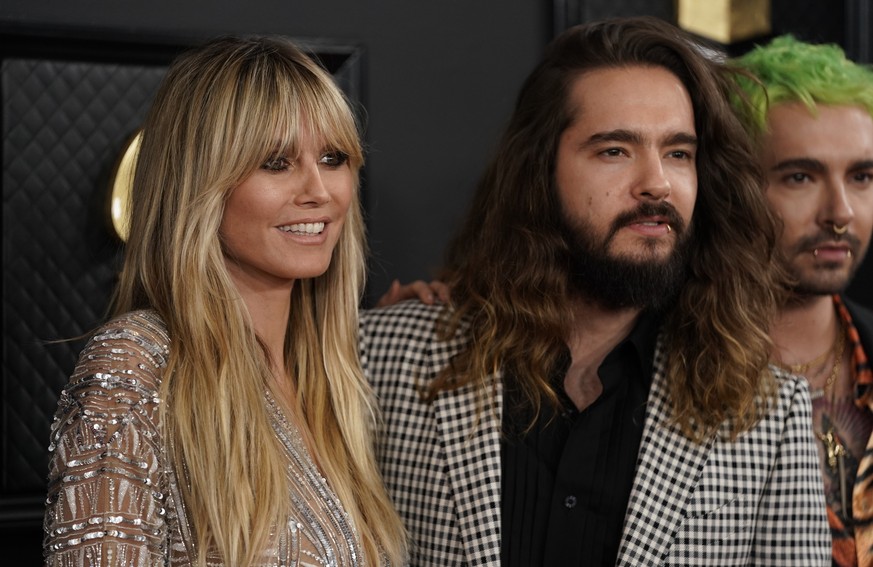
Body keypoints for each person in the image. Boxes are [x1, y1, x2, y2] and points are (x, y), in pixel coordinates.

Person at [360, 17, 830, 566]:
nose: (656, 182)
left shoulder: (769, 416)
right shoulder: (384, 356)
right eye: (615, 150)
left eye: (679, 153)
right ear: (539, 172)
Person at [43, 36, 407, 566]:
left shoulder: (331, 374)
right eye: (276, 162)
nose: (319, 190)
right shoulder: (135, 364)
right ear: (200, 183)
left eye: (333, 158)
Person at [731, 36, 873, 566]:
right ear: (735, 189)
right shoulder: (658, 363)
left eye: (862, 177)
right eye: (800, 176)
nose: (840, 212)